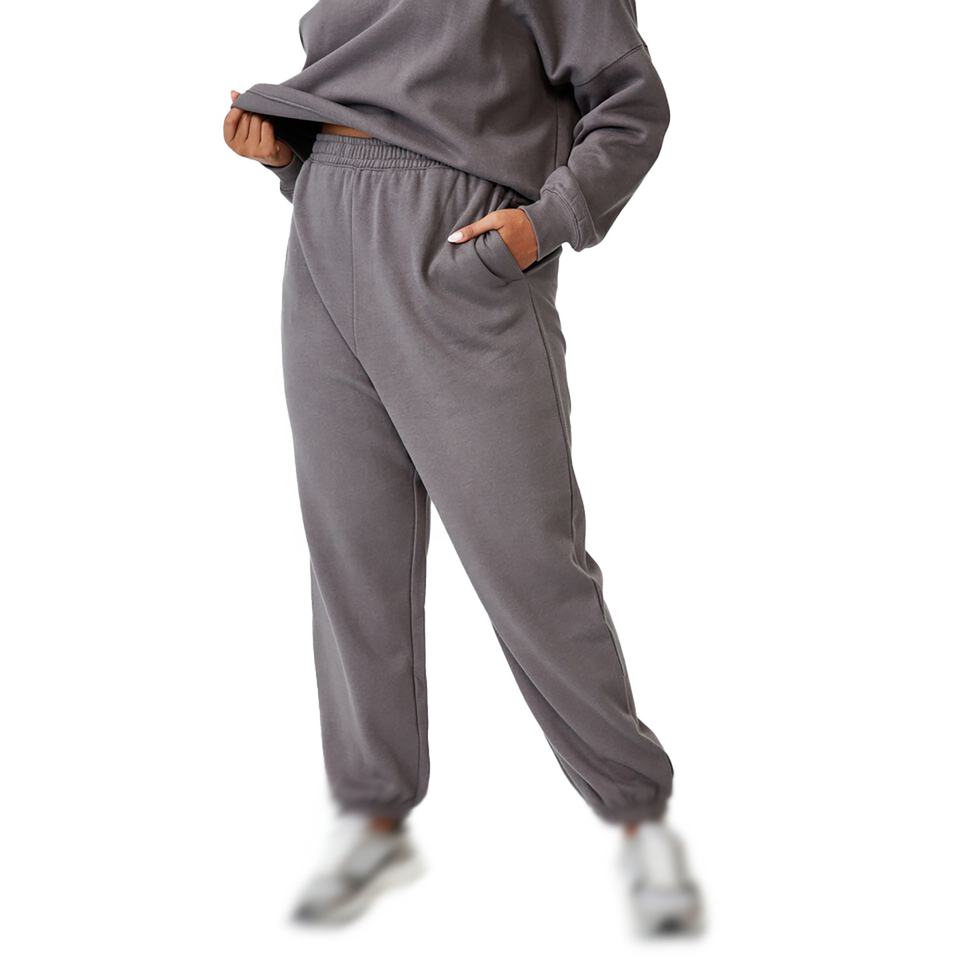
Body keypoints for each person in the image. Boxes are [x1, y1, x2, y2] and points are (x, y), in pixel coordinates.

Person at [224, 0, 701, 936]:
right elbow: (374, 84)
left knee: (528, 561)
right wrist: (286, 157)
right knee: (353, 553)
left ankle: (638, 814)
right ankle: (374, 811)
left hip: (459, 245)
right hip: (324, 226)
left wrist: (546, 222)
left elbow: (631, 104)